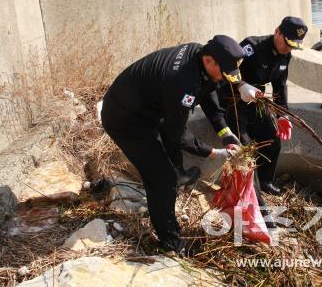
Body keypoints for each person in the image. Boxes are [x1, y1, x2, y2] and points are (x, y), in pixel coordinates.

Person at [100, 35, 259, 253]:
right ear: (210, 61)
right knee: (161, 178)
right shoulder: (182, 82)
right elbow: (177, 133)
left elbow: (209, 94)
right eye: (224, 73)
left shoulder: (199, 55)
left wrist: (227, 134)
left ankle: (179, 176)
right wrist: (214, 152)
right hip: (125, 120)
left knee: (171, 156)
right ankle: (170, 241)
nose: (224, 79)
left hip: (146, 107)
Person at [219, 17, 308, 195]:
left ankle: (265, 181)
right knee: (244, 146)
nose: (288, 48)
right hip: (233, 99)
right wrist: (240, 85)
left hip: (256, 101)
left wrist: (282, 115)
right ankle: (248, 188)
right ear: (277, 32)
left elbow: (280, 87)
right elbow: (225, 69)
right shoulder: (251, 46)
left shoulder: (285, 56)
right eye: (287, 42)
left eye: (292, 46)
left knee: (273, 141)